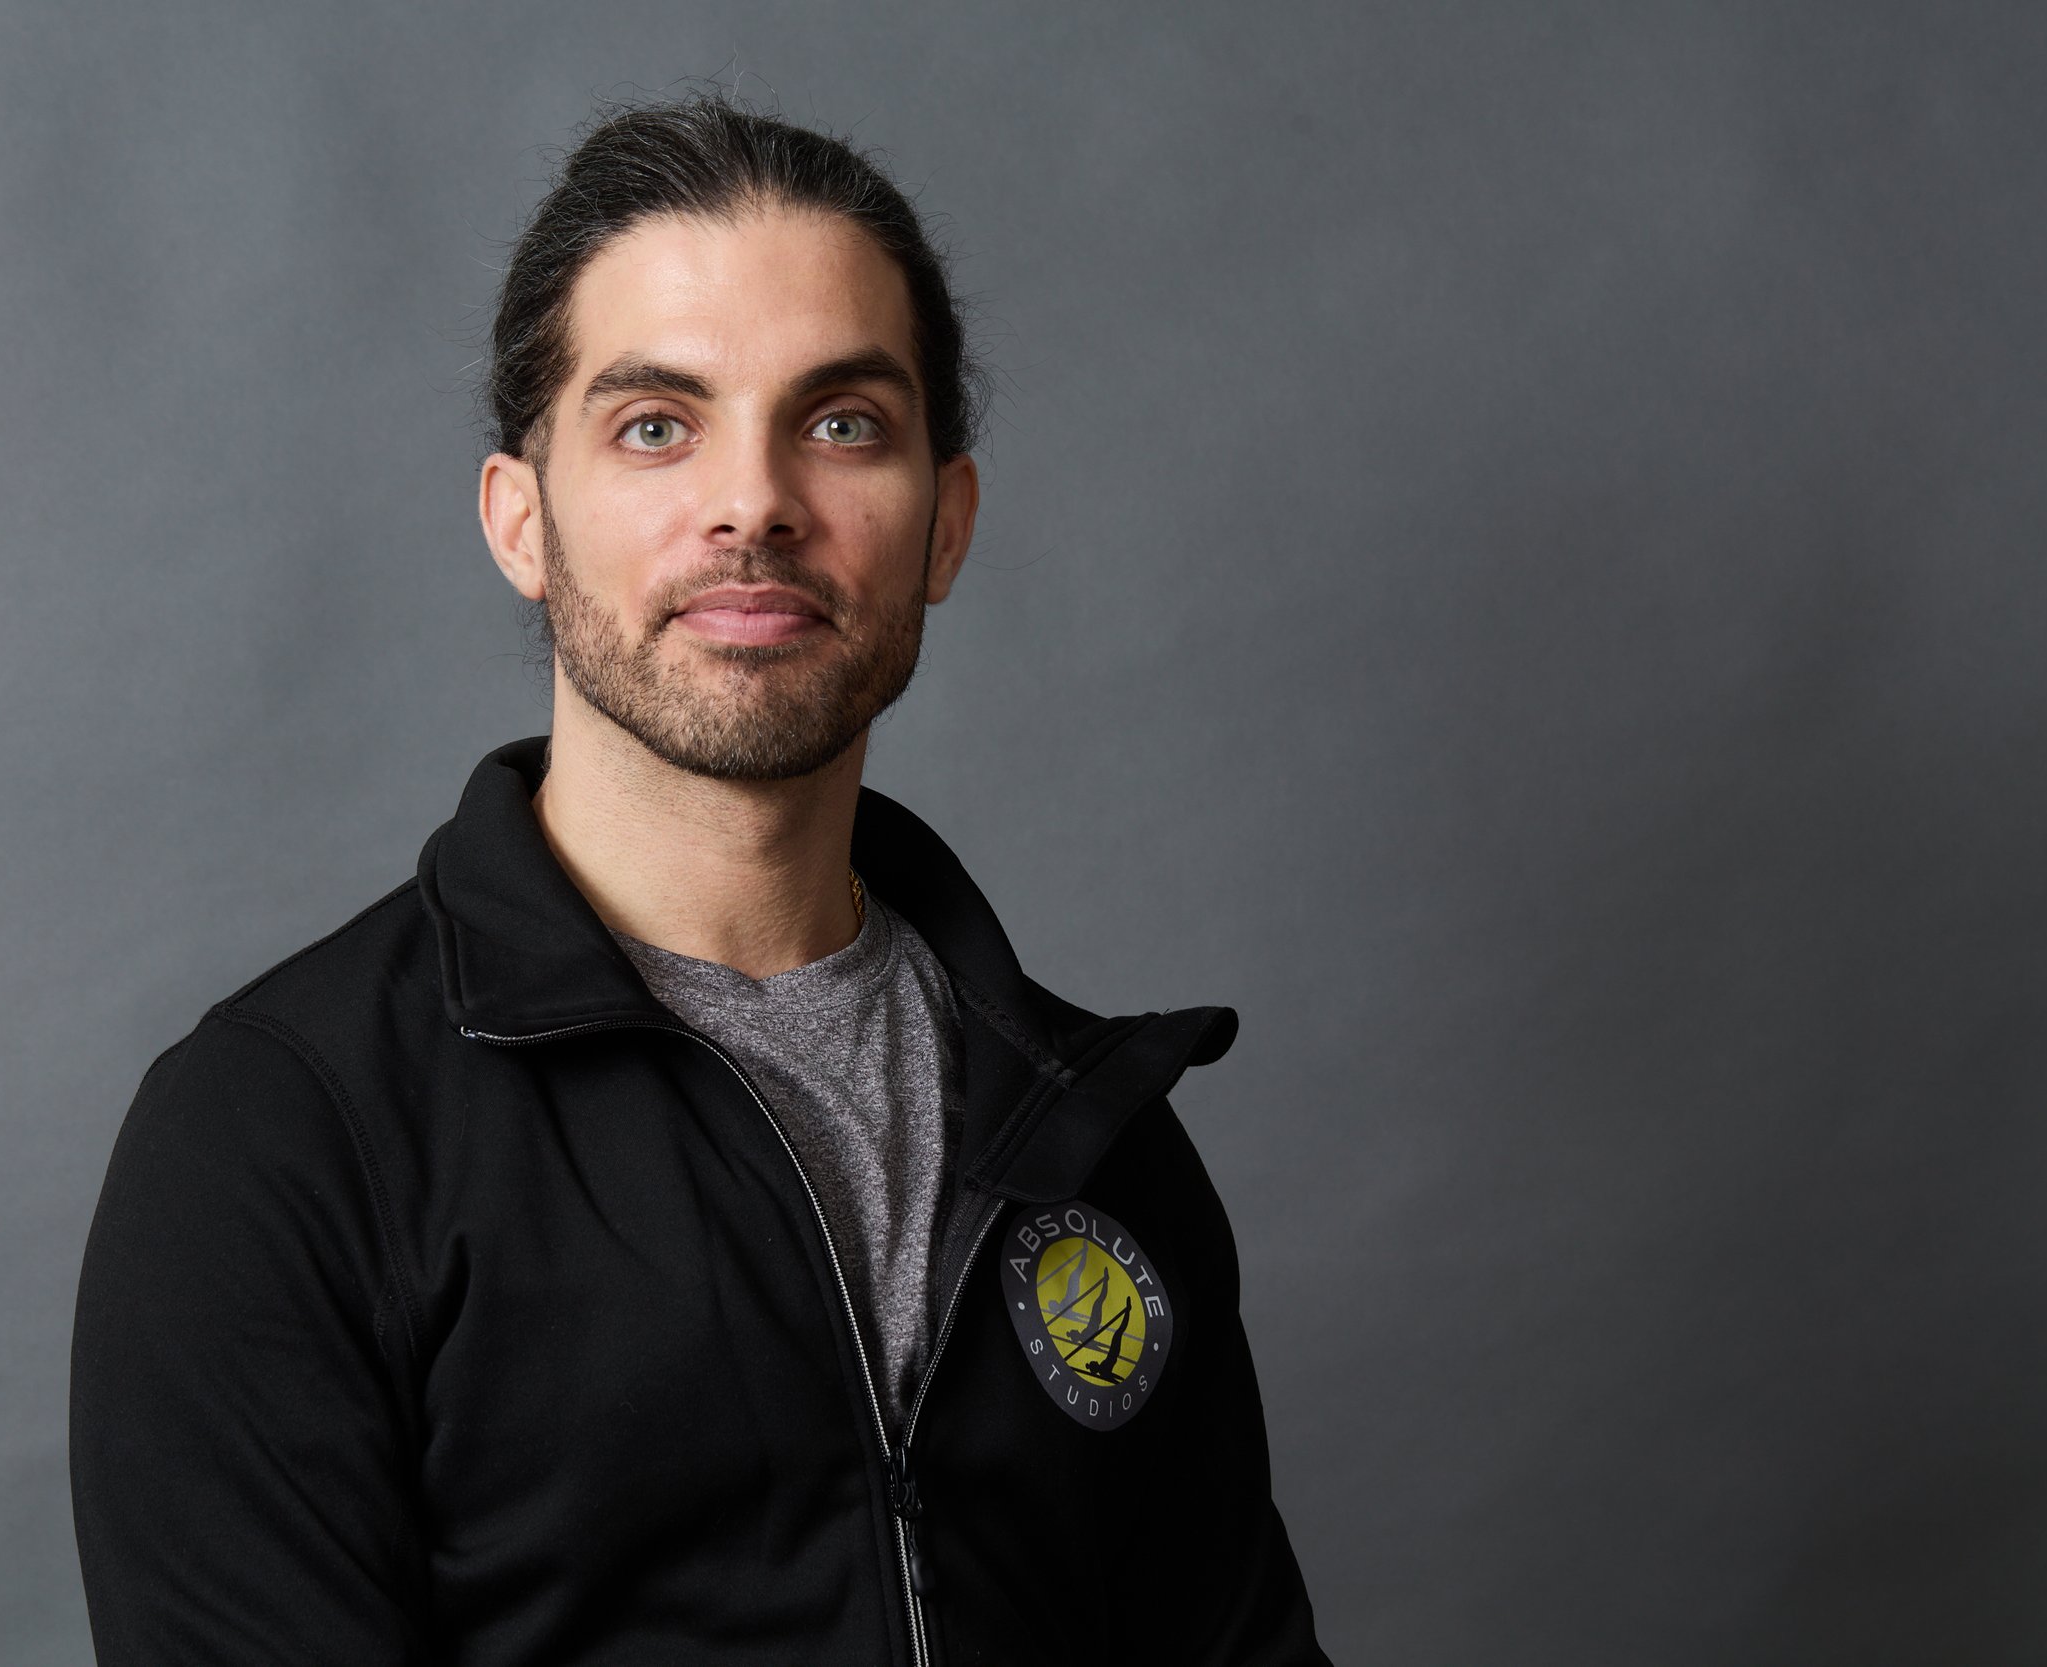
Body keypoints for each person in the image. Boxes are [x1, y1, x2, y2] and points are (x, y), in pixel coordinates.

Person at [69, 91, 1331, 1666]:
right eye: (657, 425)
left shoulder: (1089, 1138)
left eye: (843, 421)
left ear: (946, 523)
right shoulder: (280, 1143)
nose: (756, 503)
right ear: (522, 522)